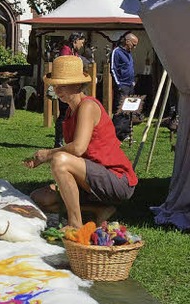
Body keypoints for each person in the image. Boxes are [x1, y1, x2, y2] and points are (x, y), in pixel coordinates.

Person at [25, 55, 137, 228]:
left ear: (77, 84)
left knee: (59, 161)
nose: (57, 89)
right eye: (55, 85)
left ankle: (75, 223)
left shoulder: (88, 106)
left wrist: (47, 154)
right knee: (40, 197)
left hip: (116, 180)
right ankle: (100, 209)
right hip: (92, 178)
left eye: (62, 85)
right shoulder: (70, 113)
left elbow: (77, 148)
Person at [54, 32, 86, 148]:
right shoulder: (65, 51)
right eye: (81, 42)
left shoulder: (74, 52)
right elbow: (65, 67)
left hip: (72, 87)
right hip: (64, 87)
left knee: (72, 114)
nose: (82, 45)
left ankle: (71, 139)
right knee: (63, 115)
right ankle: (58, 142)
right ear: (76, 40)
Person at [110, 33, 138, 110]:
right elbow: (113, 68)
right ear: (127, 41)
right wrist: (119, 84)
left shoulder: (129, 54)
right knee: (121, 109)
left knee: (129, 109)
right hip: (122, 85)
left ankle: (128, 121)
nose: (134, 47)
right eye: (133, 44)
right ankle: (119, 122)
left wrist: (132, 81)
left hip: (130, 85)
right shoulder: (117, 52)